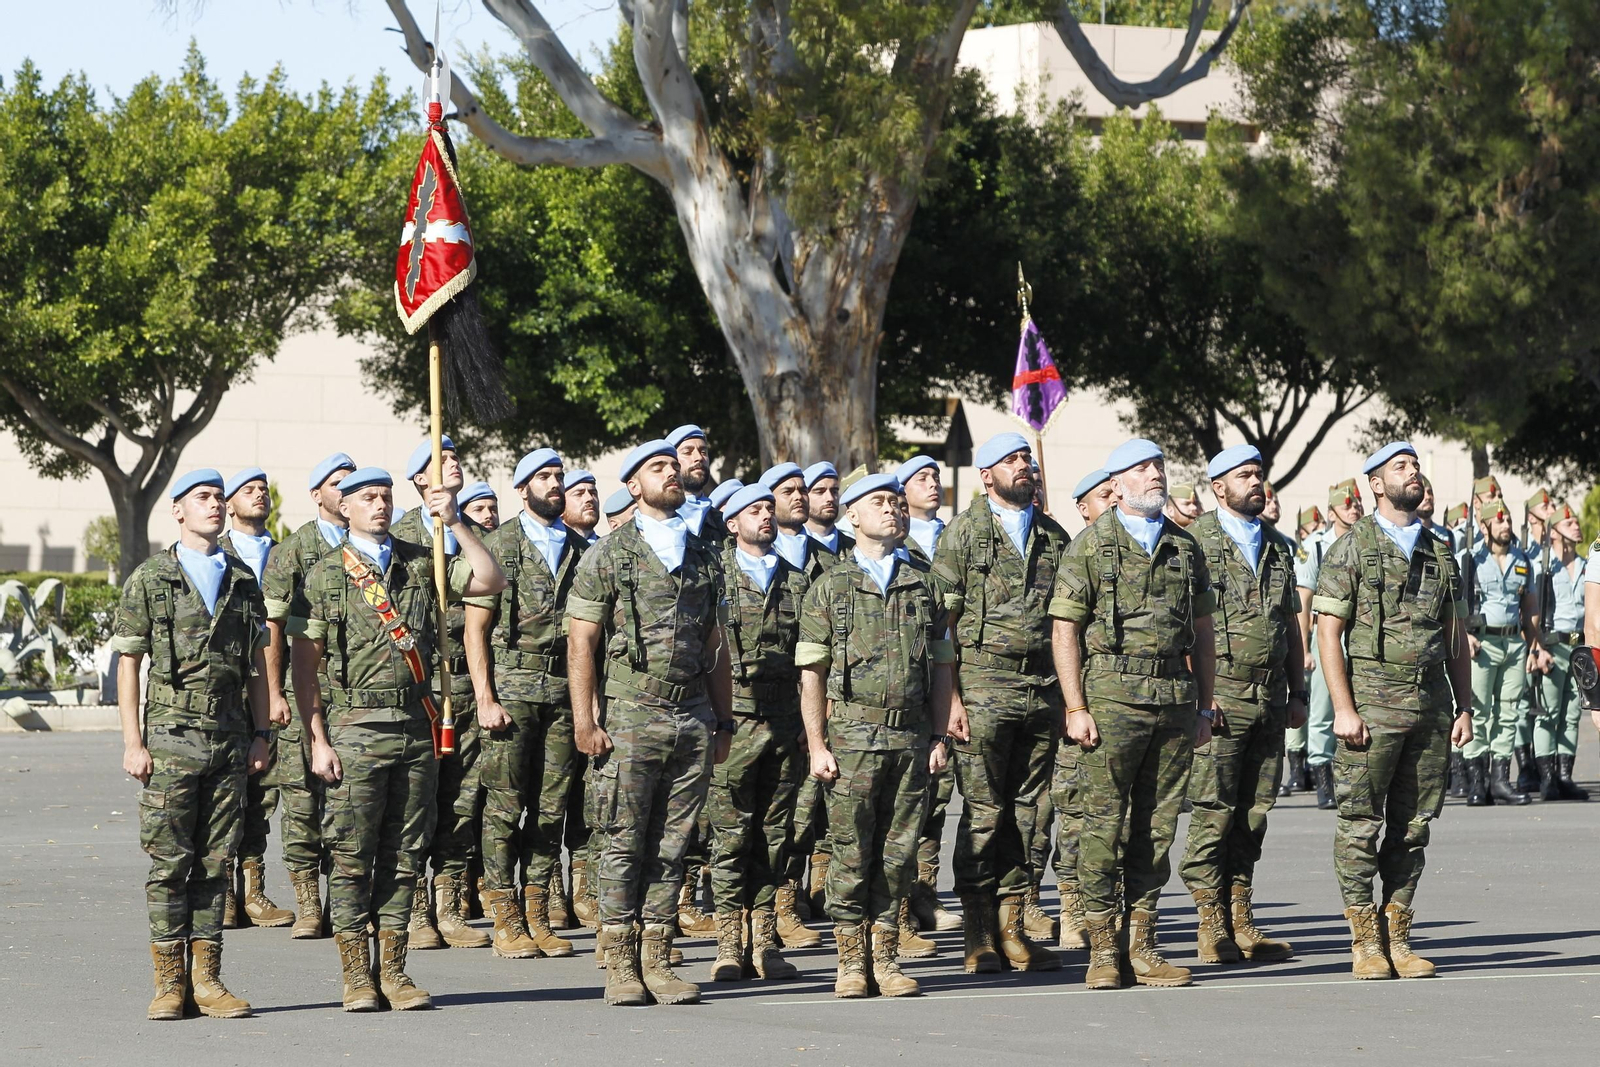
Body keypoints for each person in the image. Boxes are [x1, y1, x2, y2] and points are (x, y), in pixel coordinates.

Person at [291, 465, 506, 1011]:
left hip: (415, 730)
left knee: (404, 854)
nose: (380, 505)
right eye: (367, 497)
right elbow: (305, 669)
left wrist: (454, 521)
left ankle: (394, 970)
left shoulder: (421, 560)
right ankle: (356, 975)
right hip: (354, 730)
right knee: (351, 855)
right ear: (346, 507)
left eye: (386, 496)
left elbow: (488, 579)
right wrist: (316, 739)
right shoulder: (324, 575)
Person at [566, 440, 735, 1008]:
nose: (670, 474)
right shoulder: (610, 554)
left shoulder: (705, 555)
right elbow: (582, 642)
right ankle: (619, 964)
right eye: (656, 468)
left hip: (691, 714)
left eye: (672, 466)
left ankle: (657, 960)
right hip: (631, 713)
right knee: (622, 840)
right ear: (633, 486)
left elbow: (716, 645)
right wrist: (585, 720)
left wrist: (725, 719)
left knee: (675, 842)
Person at [1049, 438, 1217, 990]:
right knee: (1102, 826)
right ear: (1115, 485)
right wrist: (1075, 706)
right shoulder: (1091, 547)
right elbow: (1065, 630)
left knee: (1157, 828)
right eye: (1142, 470)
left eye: (1159, 467)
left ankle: (1141, 946)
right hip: (1110, 699)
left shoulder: (1186, 548)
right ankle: (1102, 951)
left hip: (1172, 698)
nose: (1155, 476)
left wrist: (1203, 704)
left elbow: (1204, 634)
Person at [114, 469, 273, 1020]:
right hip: (170, 738)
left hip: (229, 740)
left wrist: (262, 733)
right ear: (178, 510)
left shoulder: (243, 578)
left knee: (216, 862)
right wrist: (133, 742)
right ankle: (168, 984)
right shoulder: (151, 577)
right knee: (168, 863)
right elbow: (129, 663)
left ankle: (208, 981)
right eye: (202, 498)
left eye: (217, 497)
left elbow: (256, 666)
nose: (214, 505)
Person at [1312, 442, 1472, 980]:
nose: (1414, 473)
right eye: (1401, 467)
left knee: (1413, 827)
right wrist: (1343, 707)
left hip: (1428, 706)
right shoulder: (1351, 549)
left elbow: (1456, 641)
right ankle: (1364, 941)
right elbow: (1327, 633)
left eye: (1416, 465)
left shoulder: (1440, 551)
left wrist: (1464, 707)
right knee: (1359, 824)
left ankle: (1398, 936)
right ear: (1375, 484)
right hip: (1371, 705)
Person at [797, 472, 956, 998]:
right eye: (878, 502)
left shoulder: (923, 583)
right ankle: (849, 961)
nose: (891, 509)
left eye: (894, 501)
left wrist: (939, 734)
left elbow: (940, 666)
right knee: (850, 850)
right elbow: (812, 674)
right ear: (853, 517)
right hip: (851, 739)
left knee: (899, 852)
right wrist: (817, 745)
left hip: (909, 738)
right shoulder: (829, 587)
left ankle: (885, 958)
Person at [930, 432, 1066, 975]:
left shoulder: (1053, 536)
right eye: (1011, 461)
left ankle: (1014, 926)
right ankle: (978, 931)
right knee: (985, 813)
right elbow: (944, 626)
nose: (1024, 467)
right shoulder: (963, 534)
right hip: (983, 686)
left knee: (1030, 816)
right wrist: (953, 698)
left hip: (1041, 688)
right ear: (986, 476)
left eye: (1026, 459)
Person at [1178, 446, 1307, 965]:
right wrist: (1199, 699)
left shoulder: (1278, 546)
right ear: (1217, 487)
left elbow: (1291, 627)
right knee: (1213, 812)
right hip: (1221, 693)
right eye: (1244, 476)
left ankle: (1240, 917)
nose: (1256, 482)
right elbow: (1183, 627)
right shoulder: (1193, 544)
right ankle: (1210, 923)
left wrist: (1298, 692)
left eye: (1259, 474)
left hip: (1269, 695)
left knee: (1254, 813)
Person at [464, 448, 592, 959]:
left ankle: (538, 912)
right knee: (503, 806)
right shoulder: (498, 545)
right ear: (522, 489)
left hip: (565, 691)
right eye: (544, 477)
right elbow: (476, 630)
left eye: (559, 475)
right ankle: (504, 915)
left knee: (551, 807)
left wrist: (590, 706)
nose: (555, 483)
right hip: (513, 689)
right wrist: (484, 697)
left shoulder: (583, 551)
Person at [705, 483, 811, 982]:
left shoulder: (797, 580)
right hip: (734, 720)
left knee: (775, 835)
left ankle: (764, 940)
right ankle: (729, 942)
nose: (766, 516)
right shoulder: (713, 575)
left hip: (785, 720)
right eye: (754, 510)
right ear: (732, 523)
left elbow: (816, 658)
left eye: (770, 508)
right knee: (730, 836)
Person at [391, 435, 492, 950]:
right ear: (418, 480)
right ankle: (411, 909)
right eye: (441, 461)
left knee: (461, 798)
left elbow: (490, 583)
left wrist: (456, 522)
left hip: (465, 687)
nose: (453, 465)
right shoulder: (401, 535)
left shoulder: (470, 529)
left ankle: (450, 905)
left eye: (456, 459)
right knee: (417, 801)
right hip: (420, 686)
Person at [261, 451, 354, 939]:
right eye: (337, 483)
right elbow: (273, 627)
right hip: (305, 690)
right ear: (317, 493)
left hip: (354, 693)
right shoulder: (293, 550)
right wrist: (275, 692)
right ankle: (307, 902)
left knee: (349, 797)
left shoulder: (372, 546)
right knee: (300, 798)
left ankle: (345, 898)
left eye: (351, 483)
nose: (346, 491)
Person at [215, 467, 295, 931]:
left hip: (276, 685)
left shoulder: (284, 553)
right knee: (228, 791)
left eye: (264, 490)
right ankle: (225, 891)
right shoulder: (217, 554)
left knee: (263, 791)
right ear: (230, 504)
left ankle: (254, 890)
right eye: (249, 491)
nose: (260, 496)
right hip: (231, 687)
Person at [1047, 467, 1119, 950]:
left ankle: (1115, 910)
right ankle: (1072, 905)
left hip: (1123, 702)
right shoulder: (1073, 553)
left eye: (1118, 493)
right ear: (1082, 508)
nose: (1113, 501)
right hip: (1074, 701)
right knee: (1076, 809)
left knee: (1126, 814)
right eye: (1103, 495)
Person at [1458, 499, 1546, 806]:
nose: (1506, 525)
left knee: (1509, 712)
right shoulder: (1468, 559)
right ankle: (1477, 782)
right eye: (1499, 521)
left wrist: (1534, 645)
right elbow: (1453, 605)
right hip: (1481, 644)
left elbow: (1530, 607)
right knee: (1478, 712)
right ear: (1484, 527)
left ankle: (1499, 780)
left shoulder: (1522, 560)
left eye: (1507, 520)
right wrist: (1463, 634)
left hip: (1513, 645)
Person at [1297, 479, 1365, 810]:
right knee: (1324, 709)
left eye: (1357, 503)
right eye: (1347, 504)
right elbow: (1303, 602)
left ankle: (1350, 777)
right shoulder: (1316, 546)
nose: (1354, 508)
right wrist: (1305, 648)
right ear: (1332, 511)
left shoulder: (1368, 540)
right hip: (1326, 637)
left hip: (1360, 638)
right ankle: (1322, 774)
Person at [1531, 503, 1589, 800]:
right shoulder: (1542, 565)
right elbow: (1530, 611)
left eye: (1577, 522)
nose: (1577, 526)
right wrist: (1537, 647)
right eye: (1569, 524)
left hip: (1579, 648)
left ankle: (1565, 776)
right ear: (1553, 532)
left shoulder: (1586, 564)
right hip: (1552, 646)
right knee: (1547, 712)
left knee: (1571, 713)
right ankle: (1548, 779)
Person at [1282, 504, 1325, 798]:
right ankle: (1298, 767)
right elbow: (1302, 603)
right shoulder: (1306, 550)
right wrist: (1306, 648)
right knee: (1300, 699)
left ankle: (1314, 764)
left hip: (1324, 634)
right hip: (1306, 633)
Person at [668, 424, 724, 544]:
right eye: (687, 452)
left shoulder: (724, 524)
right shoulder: (660, 519)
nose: (698, 457)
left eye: (703, 452)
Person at [804, 461, 856, 567]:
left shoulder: (855, 548)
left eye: (834, 491)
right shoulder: (798, 548)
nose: (830, 498)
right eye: (820, 491)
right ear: (804, 497)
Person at [898, 456, 944, 562]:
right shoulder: (891, 540)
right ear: (903, 490)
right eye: (922, 479)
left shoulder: (955, 535)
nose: (933, 484)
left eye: (937, 479)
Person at [563, 470, 601, 545]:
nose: (589, 498)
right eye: (579, 494)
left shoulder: (610, 548)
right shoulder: (554, 548)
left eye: (593, 493)